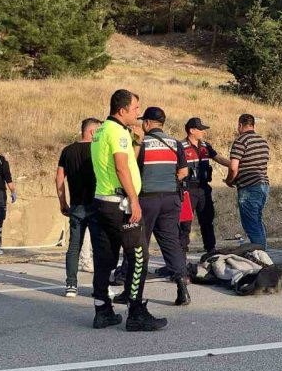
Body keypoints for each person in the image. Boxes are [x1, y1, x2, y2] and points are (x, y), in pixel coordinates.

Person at [90, 90, 167, 331]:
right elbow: (122, 168)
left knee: (105, 258)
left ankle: (102, 310)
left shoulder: (102, 130)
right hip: (120, 203)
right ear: (122, 110)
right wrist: (134, 200)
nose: (138, 113)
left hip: (102, 201)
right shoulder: (117, 132)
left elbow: (127, 161)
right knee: (138, 256)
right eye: (135, 109)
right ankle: (136, 312)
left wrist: (137, 142)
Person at [127, 106, 191, 306]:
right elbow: (183, 172)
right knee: (171, 243)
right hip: (171, 199)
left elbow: (130, 166)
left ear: (146, 123)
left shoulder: (142, 142)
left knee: (139, 244)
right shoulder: (175, 143)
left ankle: (132, 291)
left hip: (147, 199)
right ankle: (182, 286)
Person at [57, 117, 103, 298]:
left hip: (76, 206)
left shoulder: (67, 151)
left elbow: (59, 178)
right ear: (92, 131)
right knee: (99, 247)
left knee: (74, 246)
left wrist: (63, 202)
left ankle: (71, 285)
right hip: (96, 204)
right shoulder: (97, 149)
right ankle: (100, 287)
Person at [180, 117, 230, 255]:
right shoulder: (181, 147)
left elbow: (218, 158)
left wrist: (233, 165)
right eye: (201, 129)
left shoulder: (205, 146)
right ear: (192, 130)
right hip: (187, 189)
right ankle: (181, 251)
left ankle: (211, 249)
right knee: (185, 223)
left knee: (207, 220)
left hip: (203, 189)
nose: (203, 132)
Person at [225, 114, 271, 249]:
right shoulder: (263, 141)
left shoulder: (240, 141)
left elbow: (233, 167)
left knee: (251, 223)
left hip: (248, 187)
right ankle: (263, 251)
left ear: (240, 125)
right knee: (257, 220)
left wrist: (229, 180)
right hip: (263, 185)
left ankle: (260, 255)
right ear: (253, 125)